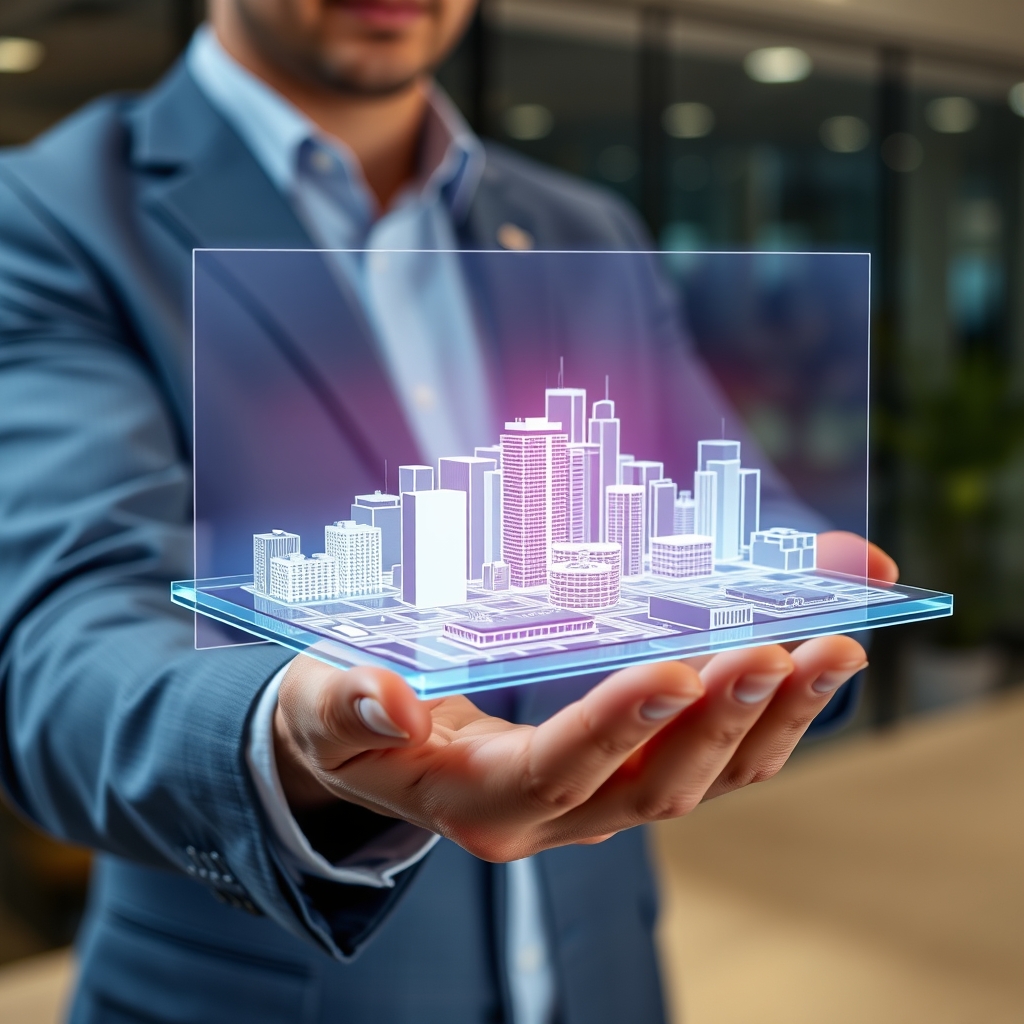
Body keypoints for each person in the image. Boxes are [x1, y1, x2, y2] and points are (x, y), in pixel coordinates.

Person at [0, 2, 897, 1022]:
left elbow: (740, 529)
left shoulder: (581, 229)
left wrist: (779, 643)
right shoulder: (48, 213)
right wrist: (286, 731)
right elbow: (62, 640)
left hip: (599, 978)